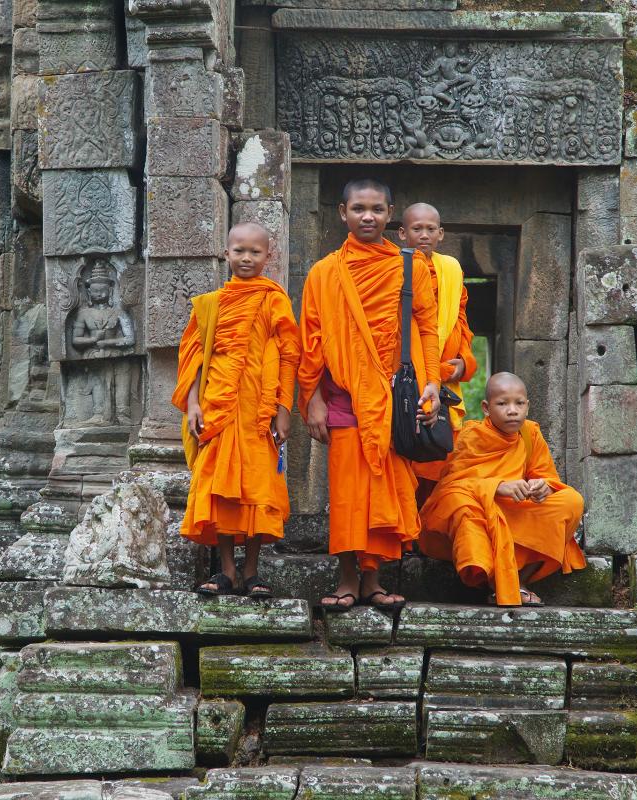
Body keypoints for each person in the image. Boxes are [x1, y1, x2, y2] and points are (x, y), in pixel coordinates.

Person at [299, 178, 442, 612]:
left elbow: (428, 327)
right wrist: (311, 400)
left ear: (390, 213)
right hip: (342, 395)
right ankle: (346, 577)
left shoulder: (409, 266)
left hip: (395, 398)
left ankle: (374, 579)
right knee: (346, 492)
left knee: (385, 486)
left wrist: (432, 381)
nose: (368, 216)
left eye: (377, 209)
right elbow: (311, 339)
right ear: (342, 213)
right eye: (359, 208)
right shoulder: (324, 272)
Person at [173, 222, 300, 599]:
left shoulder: (273, 299)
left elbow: (290, 356)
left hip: (258, 413)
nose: (246, 258)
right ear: (225, 253)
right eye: (239, 251)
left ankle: (252, 571)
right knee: (221, 490)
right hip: (218, 411)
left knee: (258, 490)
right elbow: (194, 359)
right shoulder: (210, 304)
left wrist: (284, 408)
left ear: (268, 256)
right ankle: (226, 571)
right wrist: (193, 403)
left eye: (255, 252)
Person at [418, 372, 586, 607]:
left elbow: (546, 476)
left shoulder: (530, 433)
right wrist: (497, 487)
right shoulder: (472, 436)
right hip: (482, 511)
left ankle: (517, 581)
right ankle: (498, 583)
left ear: (527, 406)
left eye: (519, 403)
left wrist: (542, 487)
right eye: (502, 403)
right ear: (486, 408)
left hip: (513, 511)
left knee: (571, 500)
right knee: (458, 503)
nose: (512, 410)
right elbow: (451, 485)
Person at [397, 203, 477, 503]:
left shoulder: (452, 270)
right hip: (406, 375)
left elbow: (461, 324)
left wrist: (464, 364)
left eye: (431, 229)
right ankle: (405, 536)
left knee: (437, 454)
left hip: (443, 380)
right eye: (417, 229)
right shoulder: (394, 267)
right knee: (404, 455)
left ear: (441, 233)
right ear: (403, 233)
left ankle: (427, 533)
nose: (424, 235)